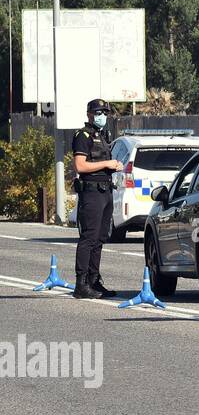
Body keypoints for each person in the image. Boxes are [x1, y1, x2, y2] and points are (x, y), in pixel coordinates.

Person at [71, 99, 123, 299]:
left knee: (100, 238)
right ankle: (81, 284)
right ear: (89, 114)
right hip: (91, 192)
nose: (102, 116)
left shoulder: (101, 135)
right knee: (89, 237)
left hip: (105, 190)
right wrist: (107, 163)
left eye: (105, 113)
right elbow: (80, 166)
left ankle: (94, 281)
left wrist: (112, 166)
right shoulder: (83, 136)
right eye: (99, 112)